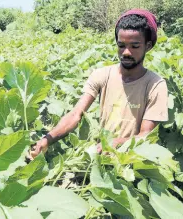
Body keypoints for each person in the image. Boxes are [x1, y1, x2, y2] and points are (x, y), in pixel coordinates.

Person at [30, 9, 168, 158]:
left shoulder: (155, 84)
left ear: (148, 46)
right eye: (121, 45)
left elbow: (145, 135)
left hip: (133, 159)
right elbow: (76, 114)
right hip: (100, 156)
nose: (126, 52)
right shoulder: (102, 75)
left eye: (134, 46)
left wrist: (116, 143)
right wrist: (47, 139)